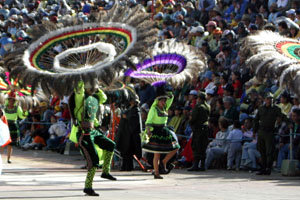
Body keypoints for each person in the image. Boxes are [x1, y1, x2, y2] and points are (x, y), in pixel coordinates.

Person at [69, 81, 116, 196]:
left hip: (93, 131)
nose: (94, 88)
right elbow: (79, 89)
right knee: (93, 161)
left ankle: (105, 172)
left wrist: (97, 86)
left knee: (111, 145)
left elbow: (104, 98)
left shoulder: (95, 98)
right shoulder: (80, 98)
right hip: (83, 133)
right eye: (92, 86)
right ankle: (88, 187)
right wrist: (83, 76)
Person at [142, 86, 180, 179]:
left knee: (175, 147)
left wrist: (169, 91)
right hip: (156, 131)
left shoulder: (165, 107)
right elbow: (148, 121)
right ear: (157, 101)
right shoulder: (153, 109)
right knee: (157, 154)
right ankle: (157, 173)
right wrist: (148, 131)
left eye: (164, 101)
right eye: (162, 101)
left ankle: (164, 162)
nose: (164, 102)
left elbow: (171, 98)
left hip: (164, 130)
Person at [253, 92, 284, 175]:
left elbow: (282, 116)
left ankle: (268, 168)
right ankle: (263, 168)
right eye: (267, 98)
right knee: (261, 150)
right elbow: (256, 120)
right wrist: (254, 131)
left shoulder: (276, 109)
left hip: (269, 131)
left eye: (270, 99)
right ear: (264, 99)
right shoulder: (261, 109)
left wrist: (289, 123)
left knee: (269, 151)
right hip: (261, 131)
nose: (269, 100)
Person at [116, 96, 142, 171]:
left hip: (131, 135)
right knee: (125, 152)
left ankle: (128, 167)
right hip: (126, 134)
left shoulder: (136, 110)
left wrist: (126, 117)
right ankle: (124, 166)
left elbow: (134, 121)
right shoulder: (129, 108)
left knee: (129, 152)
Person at [2, 91, 28, 163]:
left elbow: (22, 116)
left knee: (10, 143)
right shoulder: (4, 107)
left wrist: (25, 112)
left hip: (13, 125)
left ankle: (9, 158)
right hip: (4, 125)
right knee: (2, 142)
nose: (11, 101)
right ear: (8, 100)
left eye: (13, 100)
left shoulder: (17, 108)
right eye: (10, 100)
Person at [188, 91, 210, 171]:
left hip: (198, 128)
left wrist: (190, 123)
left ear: (199, 98)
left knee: (197, 146)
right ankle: (203, 165)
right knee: (203, 146)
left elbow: (193, 118)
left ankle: (196, 165)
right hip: (205, 128)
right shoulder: (208, 106)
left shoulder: (198, 106)